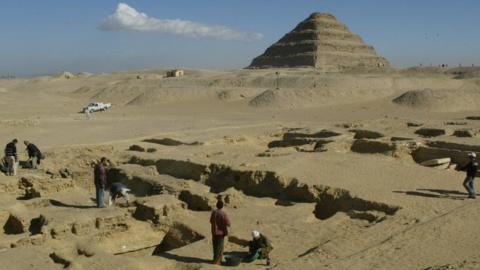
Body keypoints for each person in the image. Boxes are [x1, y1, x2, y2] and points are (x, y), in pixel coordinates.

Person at [210, 200, 230, 265]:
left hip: (214, 232)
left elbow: (211, 221)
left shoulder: (214, 212)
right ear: (222, 206)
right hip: (221, 233)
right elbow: (228, 223)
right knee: (220, 247)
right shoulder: (223, 213)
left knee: (215, 246)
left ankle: (215, 259)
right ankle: (217, 262)